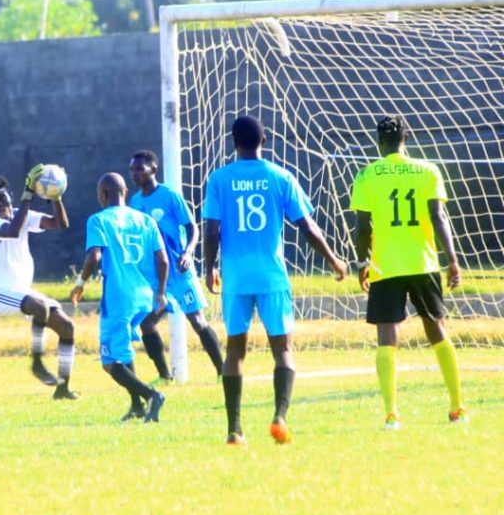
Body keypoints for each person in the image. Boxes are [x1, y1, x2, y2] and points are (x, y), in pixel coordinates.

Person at [202, 115, 346, 446]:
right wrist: (334, 260)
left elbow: (212, 229)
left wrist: (210, 267)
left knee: (235, 351)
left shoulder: (219, 179)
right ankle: (279, 418)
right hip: (271, 275)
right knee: (282, 349)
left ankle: (234, 430)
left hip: (236, 277)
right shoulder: (280, 176)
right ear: (264, 141)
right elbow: (307, 226)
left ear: (233, 142)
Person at [350, 115, 466, 429]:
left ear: (378, 141)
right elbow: (439, 217)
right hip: (423, 264)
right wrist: (453, 260)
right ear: (406, 138)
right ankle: (457, 407)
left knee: (387, 338)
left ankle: (391, 415)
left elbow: (362, 227)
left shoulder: (367, 175)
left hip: (385, 267)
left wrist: (363, 263)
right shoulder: (427, 170)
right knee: (437, 331)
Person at [70, 172, 168, 423]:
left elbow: (94, 256)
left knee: (109, 362)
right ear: (125, 192)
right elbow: (162, 259)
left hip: (118, 298)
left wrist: (80, 283)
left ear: (103, 196)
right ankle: (136, 406)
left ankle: (151, 395)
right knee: (124, 352)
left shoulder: (98, 220)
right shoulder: (145, 220)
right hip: (144, 298)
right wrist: (161, 292)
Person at [0, 169, 78, 400]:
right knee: (39, 306)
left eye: (2, 197)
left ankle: (63, 389)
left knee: (67, 326)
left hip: (21, 292)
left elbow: (60, 224)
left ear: (10, 196)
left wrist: (56, 197)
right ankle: (36, 362)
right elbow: (13, 232)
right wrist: (29, 192)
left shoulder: (20, 213)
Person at [128, 149, 224, 383]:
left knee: (197, 320)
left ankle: (223, 371)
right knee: (147, 323)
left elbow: (192, 227)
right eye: (132, 169)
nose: (134, 174)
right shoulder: (135, 202)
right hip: (157, 276)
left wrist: (188, 253)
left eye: (139, 169)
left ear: (153, 169)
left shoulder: (169, 196)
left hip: (180, 273)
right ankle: (165, 376)